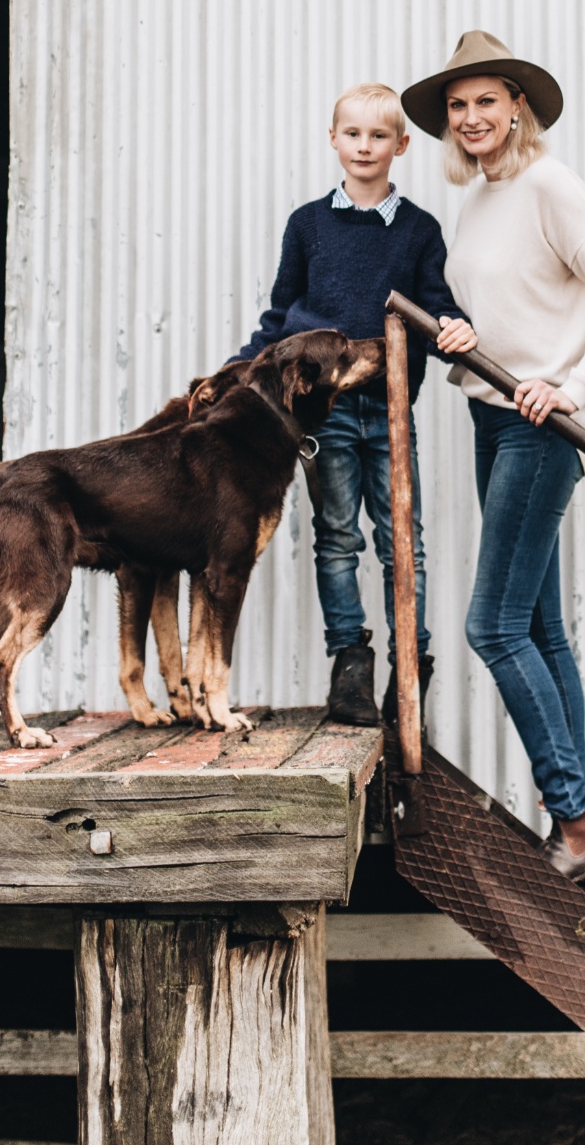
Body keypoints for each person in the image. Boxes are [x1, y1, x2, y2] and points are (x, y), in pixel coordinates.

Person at [401, 31, 585, 885]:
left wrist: (575, 388)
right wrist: (459, 332)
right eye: (457, 106)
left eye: (485, 102)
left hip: (538, 428)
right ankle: (577, 815)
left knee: (492, 627)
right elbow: (497, 308)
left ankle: (576, 824)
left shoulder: (548, 184)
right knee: (538, 628)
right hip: (489, 417)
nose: (471, 117)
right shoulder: (479, 197)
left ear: (517, 108)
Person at [237, 83, 476, 726]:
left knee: (404, 544)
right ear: (334, 139)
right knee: (336, 538)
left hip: (392, 408)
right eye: (352, 134)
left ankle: (411, 662)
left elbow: (436, 307)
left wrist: (456, 329)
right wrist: (242, 367)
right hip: (325, 413)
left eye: (378, 136)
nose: (364, 146)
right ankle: (350, 663)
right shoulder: (308, 225)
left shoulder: (420, 230)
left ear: (400, 146)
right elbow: (283, 314)